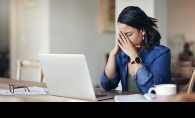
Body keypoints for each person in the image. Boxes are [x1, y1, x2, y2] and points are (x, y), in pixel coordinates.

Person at [100, 6, 172, 94]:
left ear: (142, 31)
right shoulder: (122, 55)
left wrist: (133, 55)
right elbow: (107, 85)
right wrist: (112, 55)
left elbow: (149, 89)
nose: (125, 40)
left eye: (129, 34)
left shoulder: (161, 53)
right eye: (122, 35)